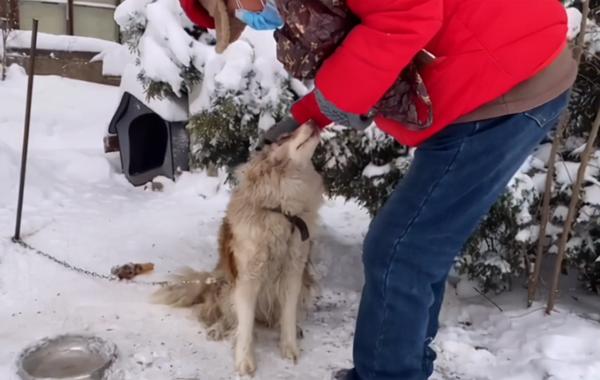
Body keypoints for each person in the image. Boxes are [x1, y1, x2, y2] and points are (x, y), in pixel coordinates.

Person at [179, 0, 578, 379]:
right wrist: (307, 115)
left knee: (400, 251)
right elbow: (375, 33)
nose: (257, 20)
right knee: (418, 251)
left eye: (235, 11)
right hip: (487, 75)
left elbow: (404, 18)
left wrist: (337, 97)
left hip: (503, 83)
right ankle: (404, 366)